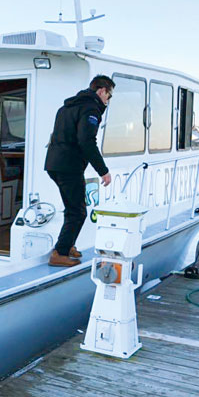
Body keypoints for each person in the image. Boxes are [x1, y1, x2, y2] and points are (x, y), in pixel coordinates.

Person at [45, 75, 114, 267]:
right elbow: (86, 141)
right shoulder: (91, 109)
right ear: (101, 91)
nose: (107, 100)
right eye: (109, 95)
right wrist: (103, 171)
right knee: (77, 211)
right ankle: (60, 253)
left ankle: (68, 245)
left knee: (72, 207)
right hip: (69, 166)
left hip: (53, 164)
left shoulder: (66, 107)